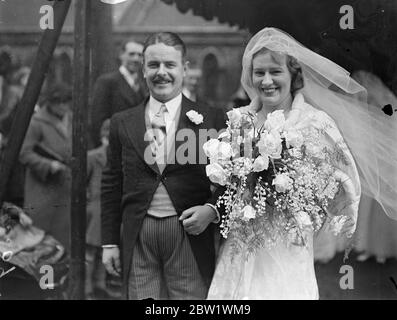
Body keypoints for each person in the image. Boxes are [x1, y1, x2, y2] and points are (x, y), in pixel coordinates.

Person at [207, 27, 397, 299]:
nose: (267, 80)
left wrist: (308, 201)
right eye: (259, 72)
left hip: (288, 248)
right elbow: (225, 184)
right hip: (239, 246)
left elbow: (346, 181)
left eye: (275, 71)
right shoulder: (239, 120)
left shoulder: (315, 123)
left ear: (293, 75)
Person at [101, 32, 226, 300]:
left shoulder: (211, 119)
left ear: (185, 68)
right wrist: (110, 241)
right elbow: (111, 182)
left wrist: (212, 209)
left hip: (188, 234)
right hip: (139, 235)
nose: (162, 73)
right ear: (143, 68)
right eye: (153, 65)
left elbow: (233, 182)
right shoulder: (123, 121)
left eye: (170, 65)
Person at [19, 83, 72, 249]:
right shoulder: (36, 122)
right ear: (50, 103)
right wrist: (48, 165)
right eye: (59, 102)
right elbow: (24, 153)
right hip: (42, 188)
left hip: (65, 185)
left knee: (64, 232)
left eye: (66, 102)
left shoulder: (71, 118)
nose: (63, 106)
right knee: (41, 233)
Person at [90, 39, 148, 147]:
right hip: (114, 146)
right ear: (121, 55)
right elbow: (97, 119)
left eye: (140, 55)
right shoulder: (107, 82)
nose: (135, 59)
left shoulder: (144, 84)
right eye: (131, 54)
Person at [85, 119, 110, 299]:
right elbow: (83, 182)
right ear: (102, 137)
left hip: (110, 210)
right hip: (94, 208)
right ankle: (87, 287)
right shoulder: (92, 156)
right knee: (90, 252)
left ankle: (100, 284)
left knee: (105, 249)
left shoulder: (121, 157)